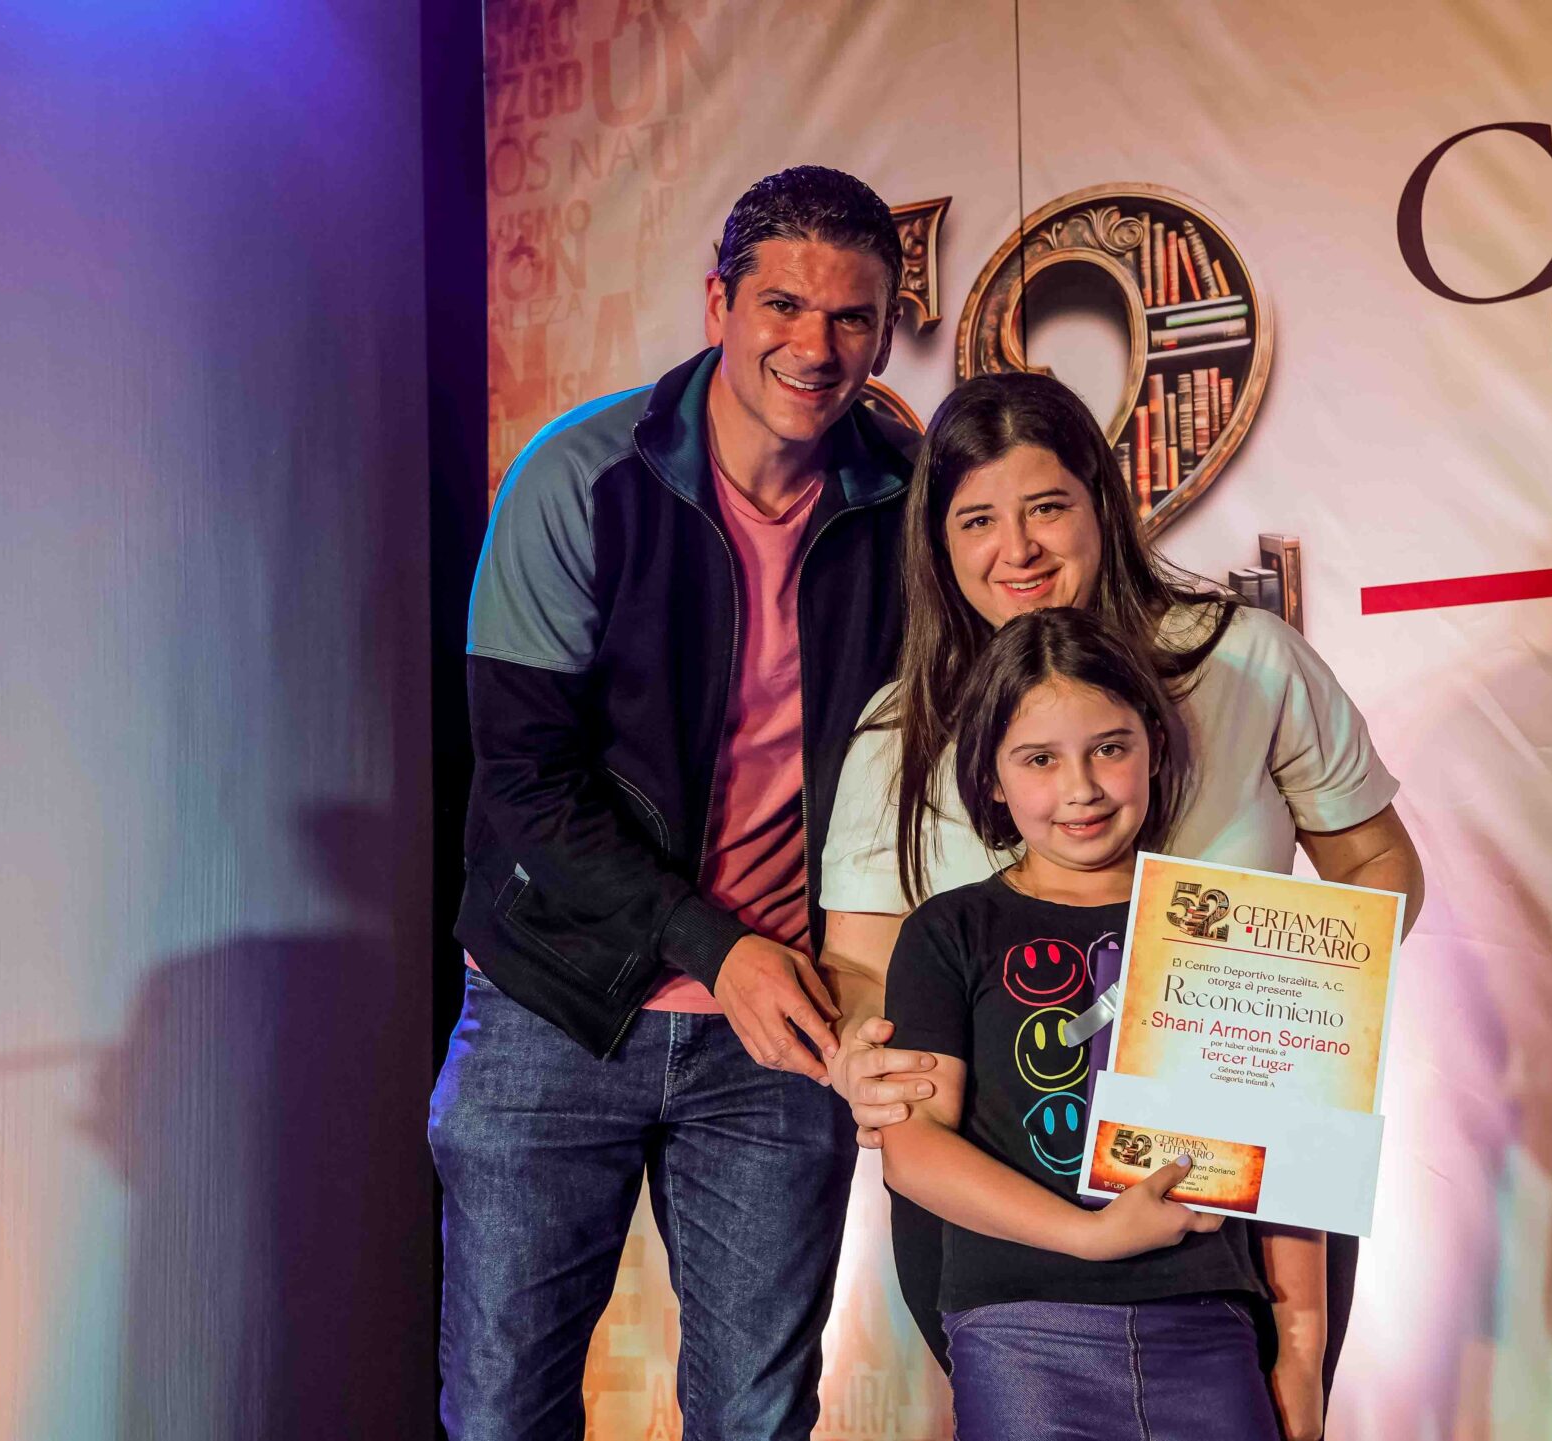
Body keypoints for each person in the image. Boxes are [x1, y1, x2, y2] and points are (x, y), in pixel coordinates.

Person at [817, 372, 1425, 1434]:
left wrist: (1300, 998)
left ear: (1102, 501)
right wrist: (868, 1055)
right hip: (1006, 1216)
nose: (1018, 549)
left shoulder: (1247, 660)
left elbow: (1377, 860)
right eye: (977, 520)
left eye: (1047, 506)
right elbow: (860, 961)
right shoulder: (895, 730)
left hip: (1243, 1183)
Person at [430, 166, 917, 1441]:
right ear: (718, 305)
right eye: (782, 305)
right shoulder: (579, 476)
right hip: (554, 1002)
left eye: (852, 317)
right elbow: (523, 782)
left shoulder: (907, 496)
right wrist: (715, 946)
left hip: (785, 1027)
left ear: (886, 332)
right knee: (502, 1412)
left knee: (756, 1418)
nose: (814, 345)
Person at [879, 606, 1295, 1441]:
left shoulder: (1226, 921)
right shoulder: (949, 931)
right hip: (1022, 1329)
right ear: (992, 778)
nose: (1082, 787)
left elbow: (1291, 1146)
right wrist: (1090, 1235)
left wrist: (1305, 1346)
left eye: (1110, 747)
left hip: (1207, 1320)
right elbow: (912, 1147)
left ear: (1155, 746)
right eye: (1040, 758)